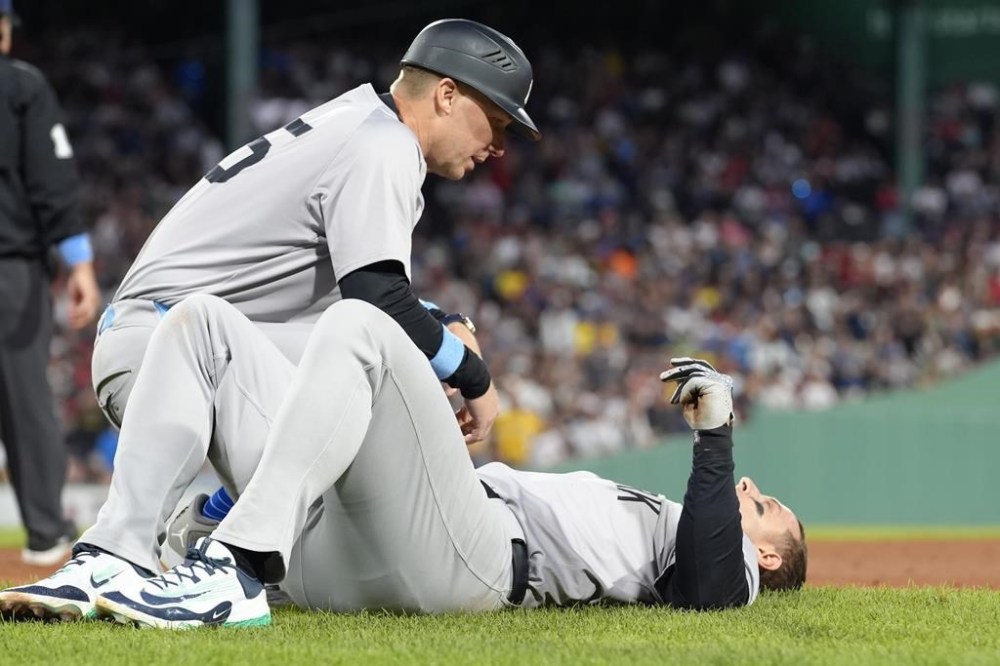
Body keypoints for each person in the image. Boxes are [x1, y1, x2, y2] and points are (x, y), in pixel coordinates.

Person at [0, 297, 806, 626]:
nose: (749, 490)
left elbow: (708, 591)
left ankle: (229, 566)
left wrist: (715, 435)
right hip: (364, 547)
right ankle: (112, 557)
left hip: (480, 561)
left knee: (360, 321)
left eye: (765, 508)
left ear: (766, 553)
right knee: (202, 324)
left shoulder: (730, 566)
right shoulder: (680, 521)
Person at [81, 17, 538, 548]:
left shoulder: (360, 122)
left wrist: (446, 322)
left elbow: (363, 297)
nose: (499, 146)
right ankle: (141, 549)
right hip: (167, 355)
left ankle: (208, 528)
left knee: (376, 374)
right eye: (498, 122)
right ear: (446, 94)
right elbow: (378, 300)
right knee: (347, 487)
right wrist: (475, 377)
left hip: (165, 343)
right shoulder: (383, 144)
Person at [0, 0, 100, 566]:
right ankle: (44, 536)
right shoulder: (20, 84)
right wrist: (79, 260)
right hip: (8, 268)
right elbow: (51, 176)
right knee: (25, 400)